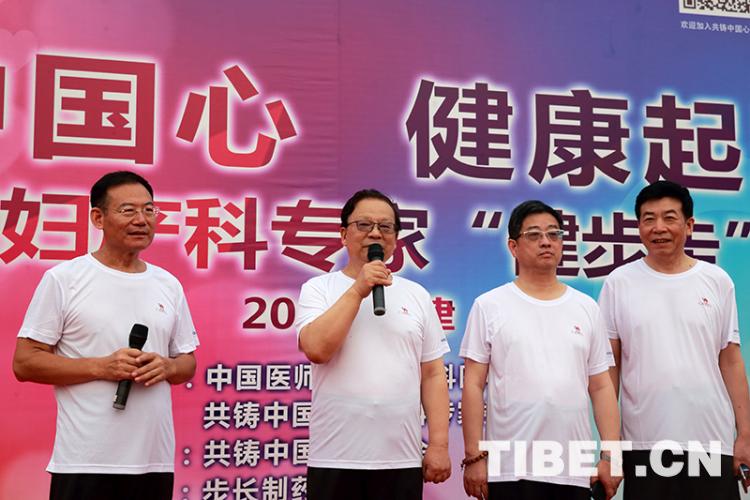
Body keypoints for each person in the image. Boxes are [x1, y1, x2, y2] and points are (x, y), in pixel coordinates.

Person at [12, 171, 199, 500]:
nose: (141, 220)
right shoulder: (64, 279)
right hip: (85, 462)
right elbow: (25, 363)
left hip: (152, 463)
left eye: (149, 210)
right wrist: (101, 367)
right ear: (98, 218)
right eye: (128, 210)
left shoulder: (168, 284)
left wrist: (167, 367)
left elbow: (187, 362)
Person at [294, 189, 451, 500]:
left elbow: (433, 374)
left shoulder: (416, 295)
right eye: (364, 225)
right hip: (335, 458)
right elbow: (316, 349)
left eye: (386, 227)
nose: (376, 233)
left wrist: (438, 445)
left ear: (396, 239)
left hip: (401, 459)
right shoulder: (319, 288)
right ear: (344, 234)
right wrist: (358, 289)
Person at [599, 180, 750, 499]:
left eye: (669, 218)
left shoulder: (716, 280)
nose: (659, 227)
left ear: (689, 225)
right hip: (645, 443)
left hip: (711, 440)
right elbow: (608, 369)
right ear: (638, 226)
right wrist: (610, 447)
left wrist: (745, 435)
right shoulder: (619, 283)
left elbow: (731, 361)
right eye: (649, 218)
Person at [461, 200, 621, 500]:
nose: (546, 242)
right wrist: (474, 456)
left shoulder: (586, 307)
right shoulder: (490, 305)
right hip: (510, 467)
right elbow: (473, 384)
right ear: (513, 246)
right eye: (534, 235)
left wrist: (612, 457)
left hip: (572, 467)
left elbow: (601, 387)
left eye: (554, 234)